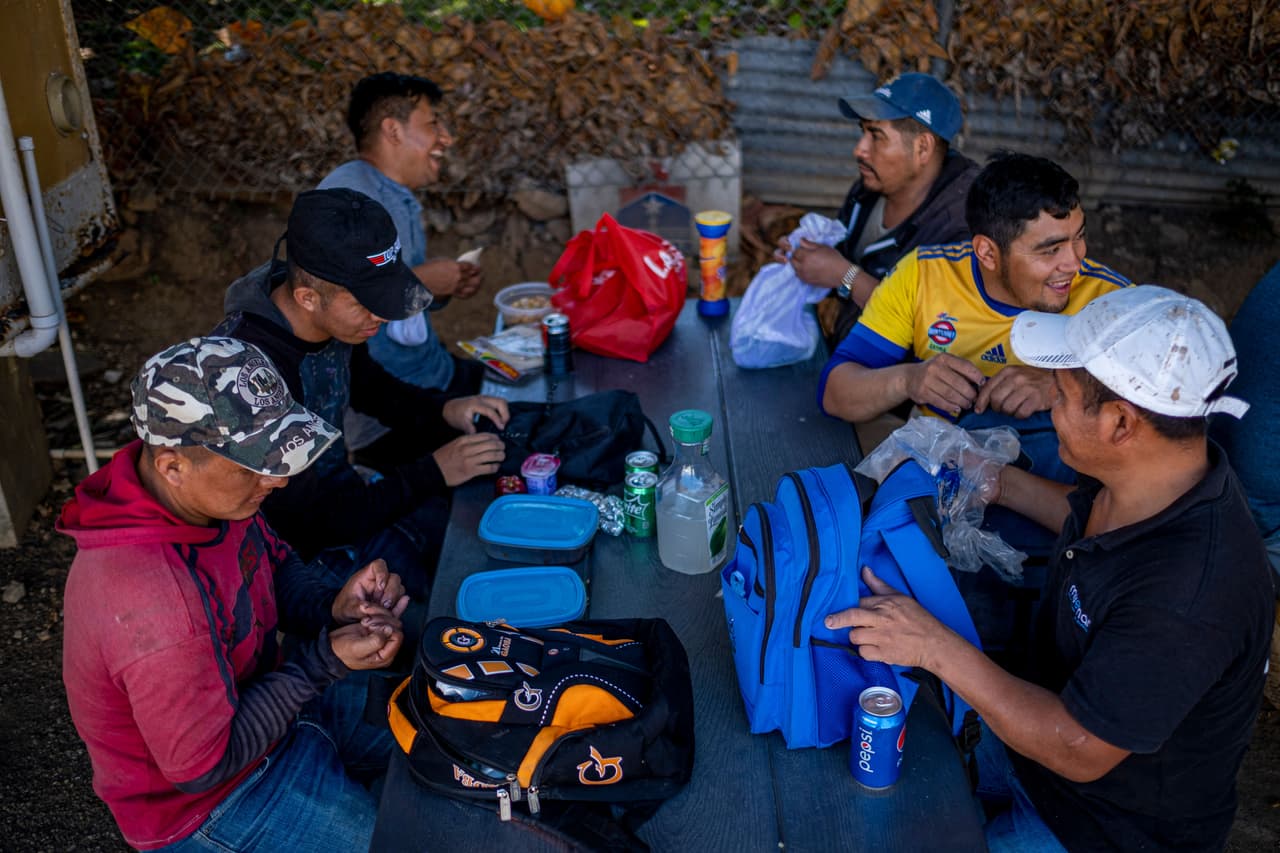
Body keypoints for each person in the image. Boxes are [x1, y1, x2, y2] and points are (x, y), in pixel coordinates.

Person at [826, 286, 1272, 852]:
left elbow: (1077, 748)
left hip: (1098, 826)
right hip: (1025, 739)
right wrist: (1001, 480)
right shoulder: (1155, 476)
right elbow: (1085, 513)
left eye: (1058, 396)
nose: (1049, 408)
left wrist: (930, 645)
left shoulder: (1188, 596)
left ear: (1119, 422)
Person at [59, 337, 410, 852]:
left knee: (444, 730)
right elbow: (205, 767)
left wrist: (333, 606)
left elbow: (272, 563)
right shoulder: (156, 606)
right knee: (403, 840)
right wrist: (322, 662)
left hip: (271, 702)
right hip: (213, 799)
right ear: (172, 466)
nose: (278, 479)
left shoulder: (207, 501)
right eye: (252, 466)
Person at [214, 187, 509, 597]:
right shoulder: (252, 380)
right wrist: (434, 470)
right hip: (294, 554)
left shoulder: (328, 319)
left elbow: (369, 386)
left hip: (346, 496)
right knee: (436, 611)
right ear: (308, 297)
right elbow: (309, 521)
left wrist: (445, 409)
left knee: (477, 533)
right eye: (367, 304)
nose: (382, 316)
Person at [819, 150, 1131, 485]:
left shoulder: (1113, 303)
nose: (1074, 262)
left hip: (1061, 491)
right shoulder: (923, 275)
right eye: (1051, 250)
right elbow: (836, 394)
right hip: (941, 475)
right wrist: (909, 380)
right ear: (986, 252)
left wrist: (1062, 387)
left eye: (1079, 237)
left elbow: (1163, 427)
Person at [775, 72, 980, 345]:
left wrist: (843, 275)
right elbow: (845, 264)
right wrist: (809, 259)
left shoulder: (963, 225)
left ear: (922, 148)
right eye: (863, 132)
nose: (859, 150)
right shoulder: (869, 189)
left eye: (876, 135)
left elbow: (935, 328)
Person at [318, 72, 483, 402]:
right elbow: (334, 302)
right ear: (393, 130)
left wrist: (441, 287)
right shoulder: (351, 197)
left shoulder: (394, 193)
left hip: (432, 372)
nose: (446, 138)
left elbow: (392, 291)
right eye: (433, 125)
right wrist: (421, 281)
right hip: (391, 404)